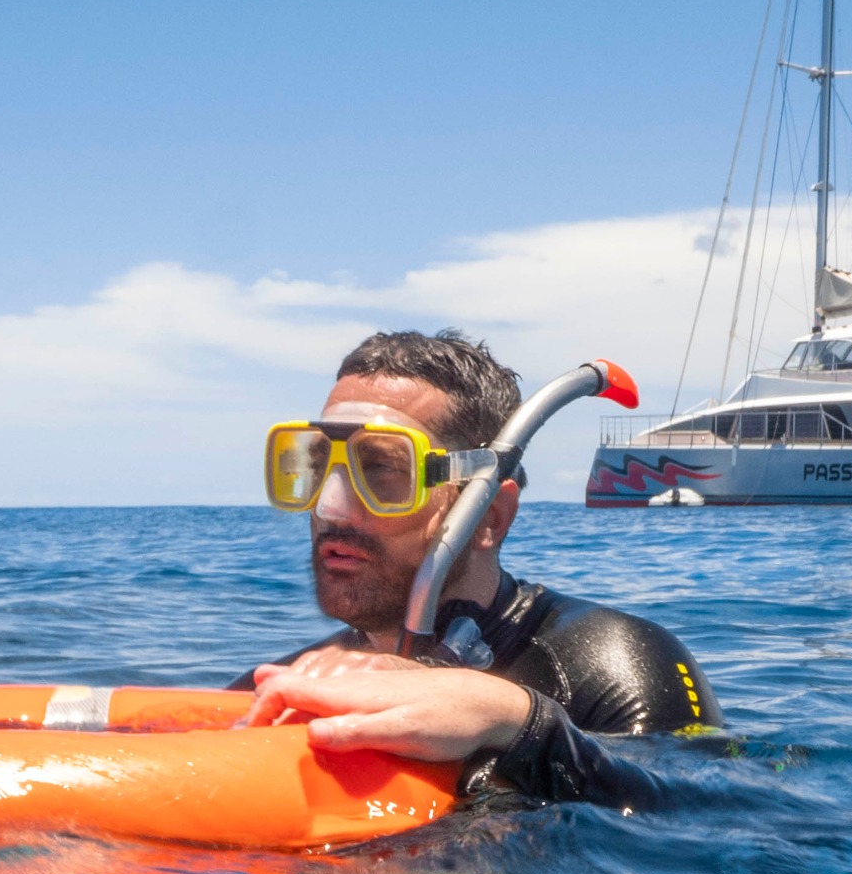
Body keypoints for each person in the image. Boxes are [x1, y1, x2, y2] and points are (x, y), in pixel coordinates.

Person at [237, 328, 719, 806]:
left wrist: (521, 723)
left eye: (382, 470)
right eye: (317, 469)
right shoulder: (287, 683)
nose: (329, 508)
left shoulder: (612, 663)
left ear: (489, 517)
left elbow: (712, 819)